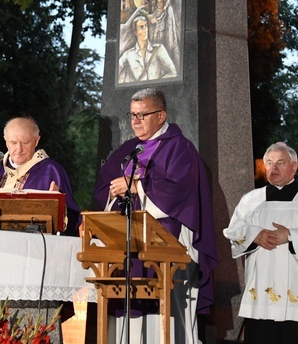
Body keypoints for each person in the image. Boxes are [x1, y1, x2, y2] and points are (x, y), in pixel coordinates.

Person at [93, 88, 218, 343]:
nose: (135, 121)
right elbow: (104, 187)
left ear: (161, 116)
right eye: (133, 115)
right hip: (125, 246)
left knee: (165, 322)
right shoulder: (128, 149)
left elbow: (180, 192)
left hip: (166, 248)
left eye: (143, 115)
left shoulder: (180, 148)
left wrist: (137, 185)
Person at [223, 142, 298, 344]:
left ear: (294, 166)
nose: (274, 168)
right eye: (270, 163)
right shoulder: (251, 200)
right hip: (263, 294)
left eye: (281, 162)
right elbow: (233, 230)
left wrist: (289, 236)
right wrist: (255, 235)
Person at [0, 116, 81, 236]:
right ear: (5, 141)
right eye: (13, 143)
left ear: (36, 141)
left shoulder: (52, 171)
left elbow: (73, 219)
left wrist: (58, 204)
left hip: (36, 246)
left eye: (25, 143)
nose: (18, 149)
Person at [118, 10, 177, 83]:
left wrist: (157, 83)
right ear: (135, 32)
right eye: (141, 27)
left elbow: (173, 72)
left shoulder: (159, 48)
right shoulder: (128, 54)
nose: (145, 30)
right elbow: (114, 73)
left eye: (146, 26)